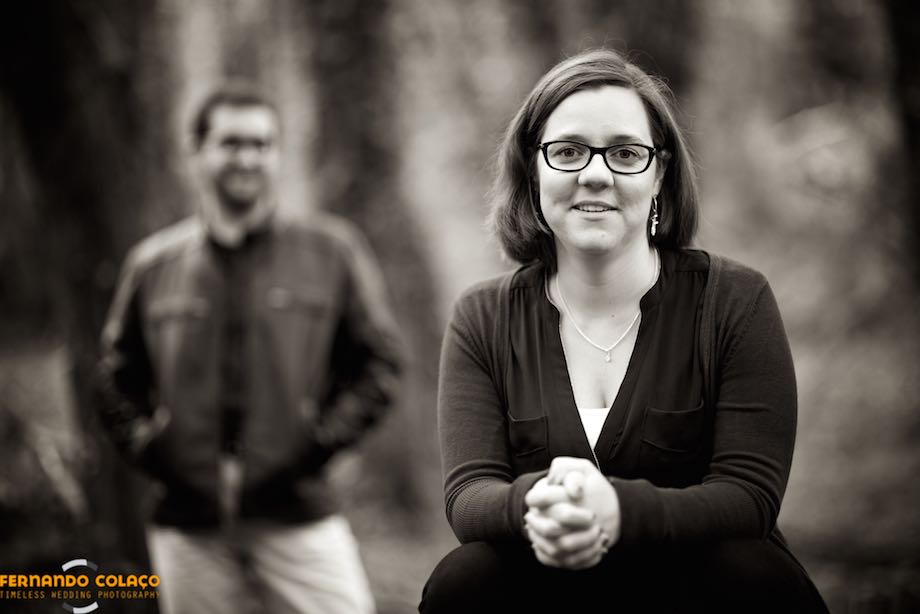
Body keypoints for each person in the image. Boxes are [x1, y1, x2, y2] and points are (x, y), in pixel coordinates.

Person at [419, 49, 828, 613]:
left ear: (659, 172)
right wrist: (543, 501)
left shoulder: (735, 301)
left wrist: (618, 509)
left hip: (703, 589)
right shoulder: (483, 318)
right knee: (464, 580)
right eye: (566, 151)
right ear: (531, 169)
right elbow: (469, 497)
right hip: (548, 581)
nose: (594, 173)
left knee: (749, 570)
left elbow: (750, 495)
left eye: (625, 152)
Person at [96, 82, 403, 614]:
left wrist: (318, 441)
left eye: (263, 145)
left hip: (297, 511)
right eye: (233, 143)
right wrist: (152, 446)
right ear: (196, 153)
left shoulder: (330, 252)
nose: (249, 158)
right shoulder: (153, 265)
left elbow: (380, 364)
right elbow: (112, 376)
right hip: (188, 524)